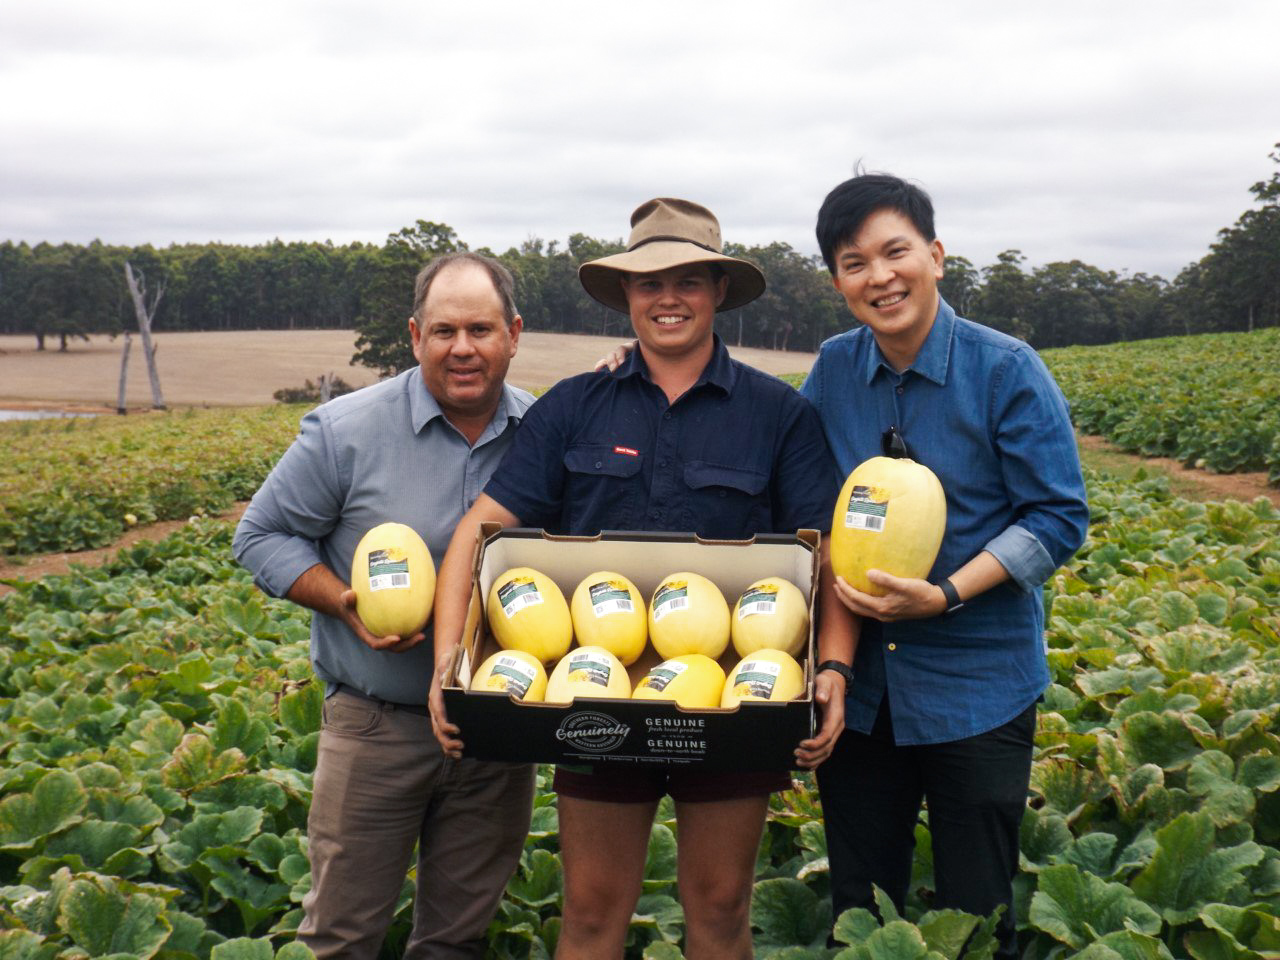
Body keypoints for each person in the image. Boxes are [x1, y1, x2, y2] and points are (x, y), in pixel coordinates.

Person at [429, 197, 853, 960]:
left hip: (739, 691)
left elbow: (825, 564)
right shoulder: (573, 407)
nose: (668, 298)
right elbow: (476, 535)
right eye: (648, 282)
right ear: (624, 294)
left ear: (718, 291)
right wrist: (446, 668)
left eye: (688, 279)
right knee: (590, 910)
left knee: (721, 908)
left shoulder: (776, 414)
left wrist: (832, 668)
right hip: (588, 690)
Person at [800, 172, 1089, 957]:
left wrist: (949, 594)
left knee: (977, 907)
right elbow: (797, 488)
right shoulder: (831, 371)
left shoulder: (1006, 369)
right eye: (855, 263)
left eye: (896, 252)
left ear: (934, 254)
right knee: (863, 901)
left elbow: (1058, 517)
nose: (879, 276)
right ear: (837, 281)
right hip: (860, 688)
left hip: (979, 683)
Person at [232, 252, 537, 960]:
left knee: (456, 942)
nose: (462, 348)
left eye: (482, 330)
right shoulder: (345, 431)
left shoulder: (546, 437)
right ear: (414, 336)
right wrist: (344, 602)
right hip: (375, 727)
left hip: (493, 730)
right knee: (341, 936)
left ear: (514, 335)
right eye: (444, 331)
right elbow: (260, 535)